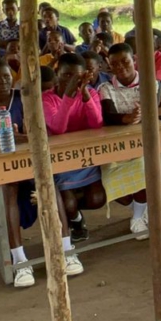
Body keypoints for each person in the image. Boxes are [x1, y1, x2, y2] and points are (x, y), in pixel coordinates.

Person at [0, 58, 83, 287]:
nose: (2, 81)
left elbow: (39, 127)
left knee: (50, 183)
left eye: (6, 76)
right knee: (9, 186)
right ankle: (20, 261)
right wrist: (23, 137)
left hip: (27, 157)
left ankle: (66, 249)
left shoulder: (22, 97)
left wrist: (24, 137)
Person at [43, 54, 106, 242]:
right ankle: (75, 218)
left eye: (76, 77)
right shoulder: (47, 99)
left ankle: (72, 209)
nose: (71, 81)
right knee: (68, 204)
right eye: (66, 75)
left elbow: (96, 124)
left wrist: (84, 92)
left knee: (97, 199)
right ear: (57, 74)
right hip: (60, 159)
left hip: (85, 156)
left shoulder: (91, 93)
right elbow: (58, 127)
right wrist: (68, 96)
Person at [99, 43, 152, 239]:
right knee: (105, 180)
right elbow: (108, 114)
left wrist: (137, 117)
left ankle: (137, 218)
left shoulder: (149, 83)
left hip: (142, 144)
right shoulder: (105, 88)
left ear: (134, 60)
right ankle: (141, 208)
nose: (121, 67)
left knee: (143, 168)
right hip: (114, 147)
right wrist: (128, 118)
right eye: (115, 64)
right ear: (109, 66)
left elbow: (151, 111)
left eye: (125, 61)